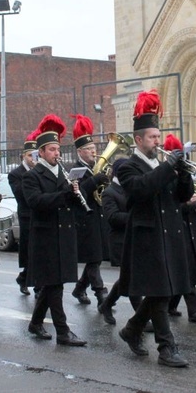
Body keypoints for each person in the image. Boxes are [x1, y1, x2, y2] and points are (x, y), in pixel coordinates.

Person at [116, 89, 194, 368]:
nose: (157, 142)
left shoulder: (163, 165)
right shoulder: (126, 165)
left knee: (164, 291)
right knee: (160, 292)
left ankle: (132, 329)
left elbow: (182, 197)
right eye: (152, 137)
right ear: (139, 140)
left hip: (169, 235)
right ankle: (166, 348)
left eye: (158, 137)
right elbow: (140, 190)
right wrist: (168, 169)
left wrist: (184, 174)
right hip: (146, 238)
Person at [23, 114, 87, 347]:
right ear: (41, 152)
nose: (57, 154)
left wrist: (78, 194)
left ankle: (35, 322)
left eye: (58, 150)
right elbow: (36, 201)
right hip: (45, 237)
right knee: (55, 284)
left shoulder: (64, 174)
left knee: (53, 283)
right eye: (51, 150)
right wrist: (64, 195)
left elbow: (69, 201)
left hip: (64, 235)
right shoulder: (32, 177)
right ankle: (62, 330)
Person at [162, 135, 196, 322]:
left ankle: (171, 306)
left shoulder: (184, 173)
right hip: (177, 229)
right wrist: (190, 203)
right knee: (186, 270)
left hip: (190, 228)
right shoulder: (163, 174)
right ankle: (193, 309)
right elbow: (171, 206)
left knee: (186, 270)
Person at [69, 114, 110, 307]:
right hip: (84, 219)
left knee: (96, 258)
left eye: (94, 148)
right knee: (94, 258)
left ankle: (79, 288)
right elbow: (79, 193)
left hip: (98, 216)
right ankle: (101, 294)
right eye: (89, 149)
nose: (94, 152)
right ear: (80, 151)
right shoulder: (75, 170)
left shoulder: (97, 167)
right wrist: (96, 180)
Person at [97, 157, 143, 325]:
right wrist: (135, 217)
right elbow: (112, 217)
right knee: (132, 279)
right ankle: (141, 318)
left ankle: (107, 305)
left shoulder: (130, 188)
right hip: (120, 241)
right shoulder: (110, 192)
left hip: (135, 239)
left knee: (127, 278)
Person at [7, 130, 39, 295]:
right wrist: (33, 174)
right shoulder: (15, 174)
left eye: (35, 155)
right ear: (23, 156)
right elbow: (21, 194)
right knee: (28, 250)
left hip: (39, 214)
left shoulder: (40, 170)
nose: (32, 159)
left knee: (38, 250)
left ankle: (32, 281)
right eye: (29, 156)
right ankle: (25, 278)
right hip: (26, 216)